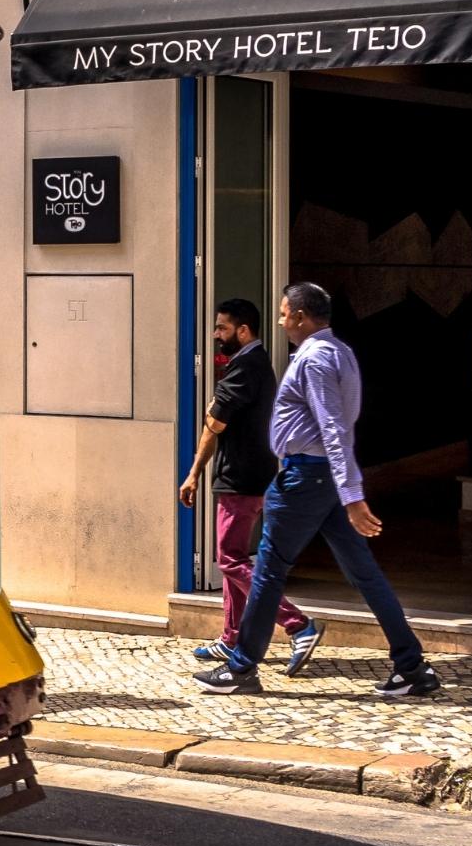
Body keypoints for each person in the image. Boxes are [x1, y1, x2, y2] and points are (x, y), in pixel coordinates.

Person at [195, 283, 438, 698]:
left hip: (306, 478)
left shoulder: (316, 359)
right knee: (364, 573)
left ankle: (240, 669)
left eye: (284, 312)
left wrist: (352, 495)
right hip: (318, 479)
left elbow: (333, 428)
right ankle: (412, 668)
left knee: (269, 570)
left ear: (302, 317)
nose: (280, 320)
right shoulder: (339, 351)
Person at [180, 298, 322, 671]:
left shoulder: (245, 368)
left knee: (229, 559)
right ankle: (231, 638)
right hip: (252, 474)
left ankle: (298, 624)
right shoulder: (253, 365)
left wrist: (194, 471)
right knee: (234, 560)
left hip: (240, 478)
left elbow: (215, 423)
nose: (215, 335)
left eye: (222, 328)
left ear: (243, 331)